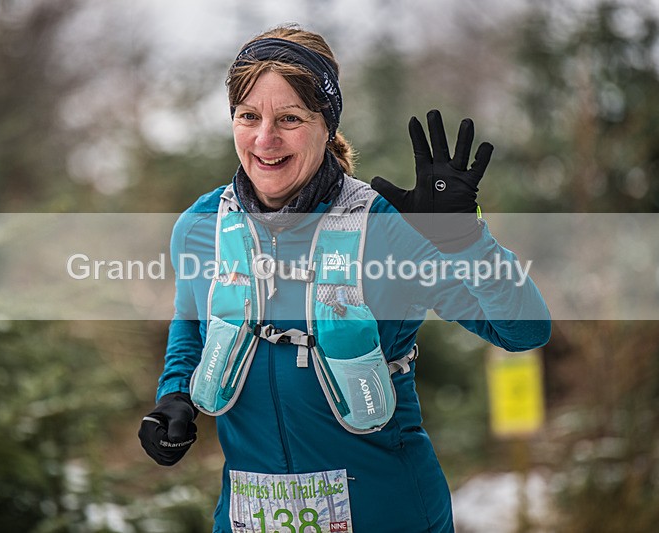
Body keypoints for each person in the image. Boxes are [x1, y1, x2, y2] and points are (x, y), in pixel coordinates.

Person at [139, 25, 550, 533]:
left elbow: (524, 331)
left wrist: (467, 240)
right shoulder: (201, 227)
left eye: (289, 118)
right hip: (247, 519)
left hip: (388, 513)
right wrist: (175, 394)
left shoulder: (387, 229)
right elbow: (192, 319)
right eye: (248, 116)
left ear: (326, 126)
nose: (265, 139)